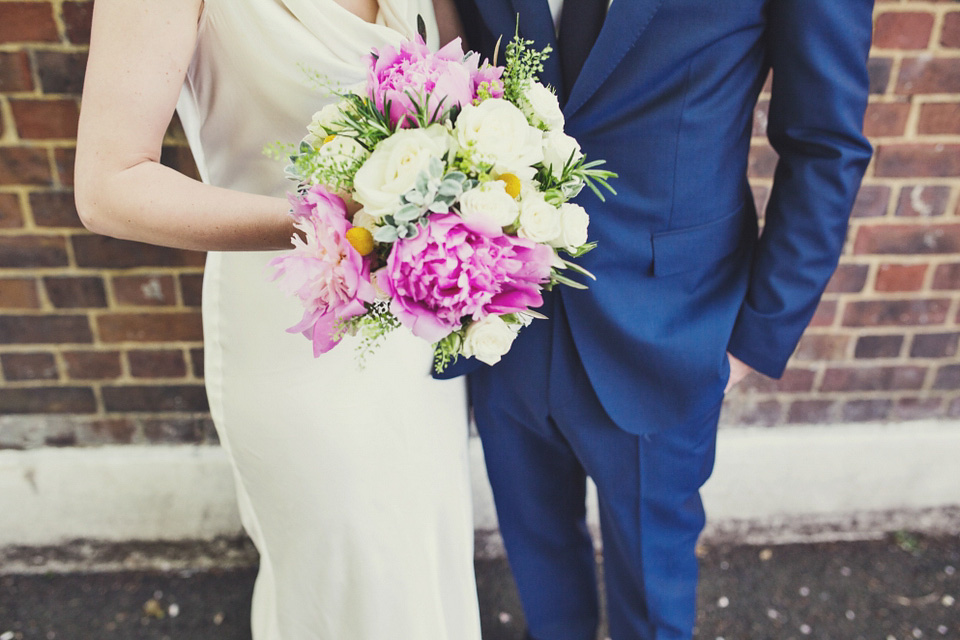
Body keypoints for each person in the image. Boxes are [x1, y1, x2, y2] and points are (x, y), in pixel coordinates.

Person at [446, 0, 875, 638]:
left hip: (669, 328)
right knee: (539, 569)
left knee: (653, 596)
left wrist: (755, 337)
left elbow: (826, 146)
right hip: (505, 317)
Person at [74, 1, 482, 638]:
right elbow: (108, 186)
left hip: (412, 333)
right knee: (348, 582)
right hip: (295, 330)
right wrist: (343, 221)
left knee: (421, 568)